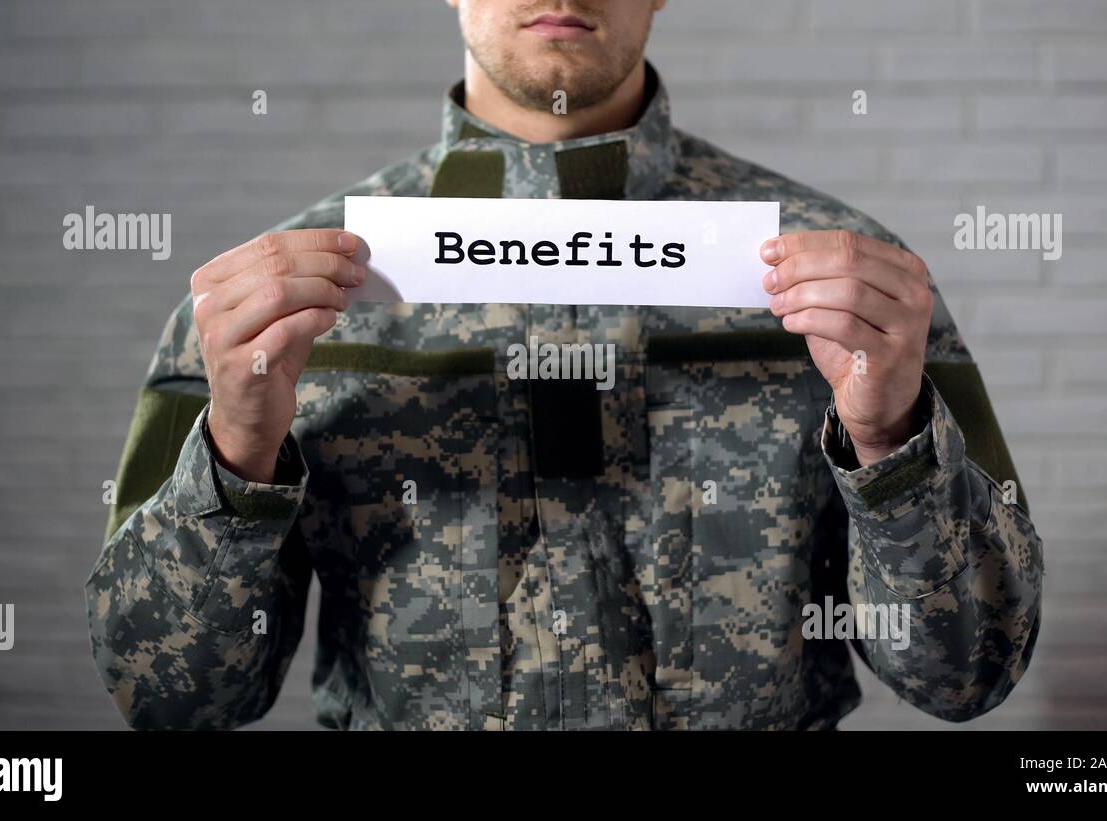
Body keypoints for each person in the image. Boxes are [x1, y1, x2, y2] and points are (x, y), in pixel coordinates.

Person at [87, 0, 1043, 730]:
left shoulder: (853, 284)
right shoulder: (271, 300)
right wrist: (238, 455)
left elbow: (966, 673)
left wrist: (890, 441)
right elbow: (168, 700)